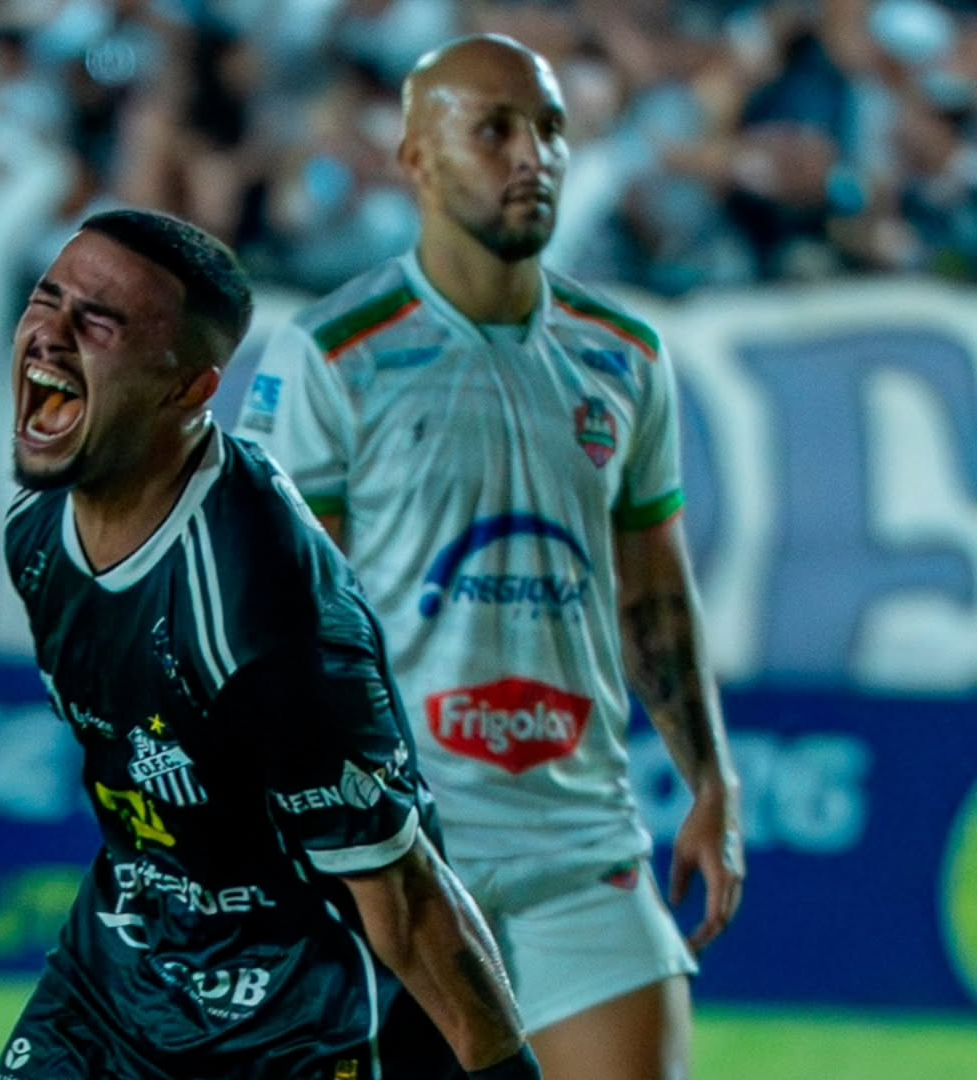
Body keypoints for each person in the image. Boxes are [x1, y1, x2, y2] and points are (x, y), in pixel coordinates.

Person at [238, 34, 745, 1080]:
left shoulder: (624, 356)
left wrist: (710, 778)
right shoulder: (334, 354)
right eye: (496, 130)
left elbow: (654, 591)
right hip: (401, 859)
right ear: (416, 158)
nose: (533, 157)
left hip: (582, 847)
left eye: (551, 130)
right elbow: (275, 624)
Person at [0, 207, 543, 1080]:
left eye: (99, 321)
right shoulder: (36, 526)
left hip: (296, 1021)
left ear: (189, 390)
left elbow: (403, 895)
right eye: (46, 298)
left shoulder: (263, 615)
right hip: (122, 975)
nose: (49, 335)